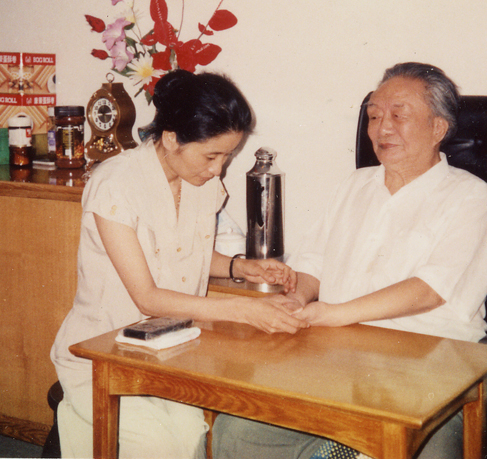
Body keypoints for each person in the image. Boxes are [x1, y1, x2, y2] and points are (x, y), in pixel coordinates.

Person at [211, 63, 487, 459]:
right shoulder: (354, 184)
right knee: (236, 432)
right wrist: (297, 298)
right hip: (335, 358)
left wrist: (332, 314)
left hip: (430, 368)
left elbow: (429, 291)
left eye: (398, 115)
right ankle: (341, 447)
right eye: (375, 116)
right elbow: (313, 261)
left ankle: (344, 448)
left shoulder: (470, 197)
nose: (382, 129)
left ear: (438, 128)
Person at [50, 70, 308, 459]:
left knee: (191, 437)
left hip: (170, 349)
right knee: (158, 445)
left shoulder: (200, 182)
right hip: (102, 352)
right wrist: (243, 309)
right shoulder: (115, 184)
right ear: (171, 139)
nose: (219, 169)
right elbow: (147, 297)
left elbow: (182, 253)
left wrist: (240, 268)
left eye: (227, 155)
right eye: (212, 155)